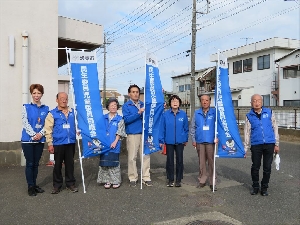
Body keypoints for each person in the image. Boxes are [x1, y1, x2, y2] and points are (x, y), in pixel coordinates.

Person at [244, 94, 279, 196]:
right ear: (251, 103)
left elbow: (275, 128)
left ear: (262, 102)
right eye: (254, 101)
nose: (256, 102)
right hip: (256, 144)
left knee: (267, 167)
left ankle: (264, 187)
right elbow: (247, 133)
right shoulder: (249, 116)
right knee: (255, 166)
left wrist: (276, 143)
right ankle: (255, 186)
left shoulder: (269, 112)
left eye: (258, 100)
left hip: (269, 143)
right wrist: (245, 148)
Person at [44, 92, 78, 194]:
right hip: (58, 143)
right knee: (57, 165)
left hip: (70, 143)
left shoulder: (73, 112)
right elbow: (48, 129)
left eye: (66, 98)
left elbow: (78, 125)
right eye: (61, 98)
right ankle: (57, 185)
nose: (64, 100)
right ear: (57, 100)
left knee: (70, 164)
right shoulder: (52, 113)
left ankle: (70, 184)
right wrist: (50, 143)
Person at [21, 84, 49, 196]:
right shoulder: (26, 107)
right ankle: (30, 186)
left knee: (36, 164)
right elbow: (25, 122)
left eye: (38, 93)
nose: (36, 95)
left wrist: (40, 134)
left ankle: (34, 184)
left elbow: (47, 124)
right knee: (30, 163)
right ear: (31, 94)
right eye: (34, 93)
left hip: (40, 140)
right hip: (28, 140)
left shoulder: (46, 109)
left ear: (42, 94)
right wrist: (33, 135)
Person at [122, 84, 152, 187]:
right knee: (132, 157)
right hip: (133, 134)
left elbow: (150, 117)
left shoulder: (143, 104)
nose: (135, 94)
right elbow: (126, 119)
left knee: (145, 156)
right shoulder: (126, 106)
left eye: (137, 92)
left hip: (144, 133)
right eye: (133, 92)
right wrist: (138, 113)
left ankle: (146, 177)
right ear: (129, 94)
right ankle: (133, 177)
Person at [159, 95, 189, 187]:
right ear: (170, 104)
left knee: (180, 160)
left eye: (176, 101)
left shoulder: (183, 114)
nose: (175, 103)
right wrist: (161, 140)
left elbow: (186, 128)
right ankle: (170, 179)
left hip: (180, 142)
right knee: (170, 161)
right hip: (169, 142)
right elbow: (162, 128)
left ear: (179, 103)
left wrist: (185, 138)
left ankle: (178, 180)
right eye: (173, 101)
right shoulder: (165, 115)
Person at [97, 98, 126, 189]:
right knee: (105, 163)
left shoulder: (120, 119)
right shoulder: (103, 118)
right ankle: (107, 180)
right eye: (111, 105)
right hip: (104, 145)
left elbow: (120, 131)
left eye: (115, 105)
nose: (113, 107)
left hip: (114, 144)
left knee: (114, 163)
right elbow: (99, 129)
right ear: (108, 107)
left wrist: (115, 141)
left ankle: (116, 181)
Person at [190, 94, 218, 191]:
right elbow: (192, 128)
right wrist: (194, 140)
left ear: (210, 101)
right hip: (200, 141)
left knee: (211, 162)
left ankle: (212, 181)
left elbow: (219, 127)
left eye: (207, 100)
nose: (205, 102)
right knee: (201, 163)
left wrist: (217, 137)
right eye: (203, 100)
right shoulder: (196, 113)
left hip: (211, 141)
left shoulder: (215, 113)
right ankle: (202, 180)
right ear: (200, 102)